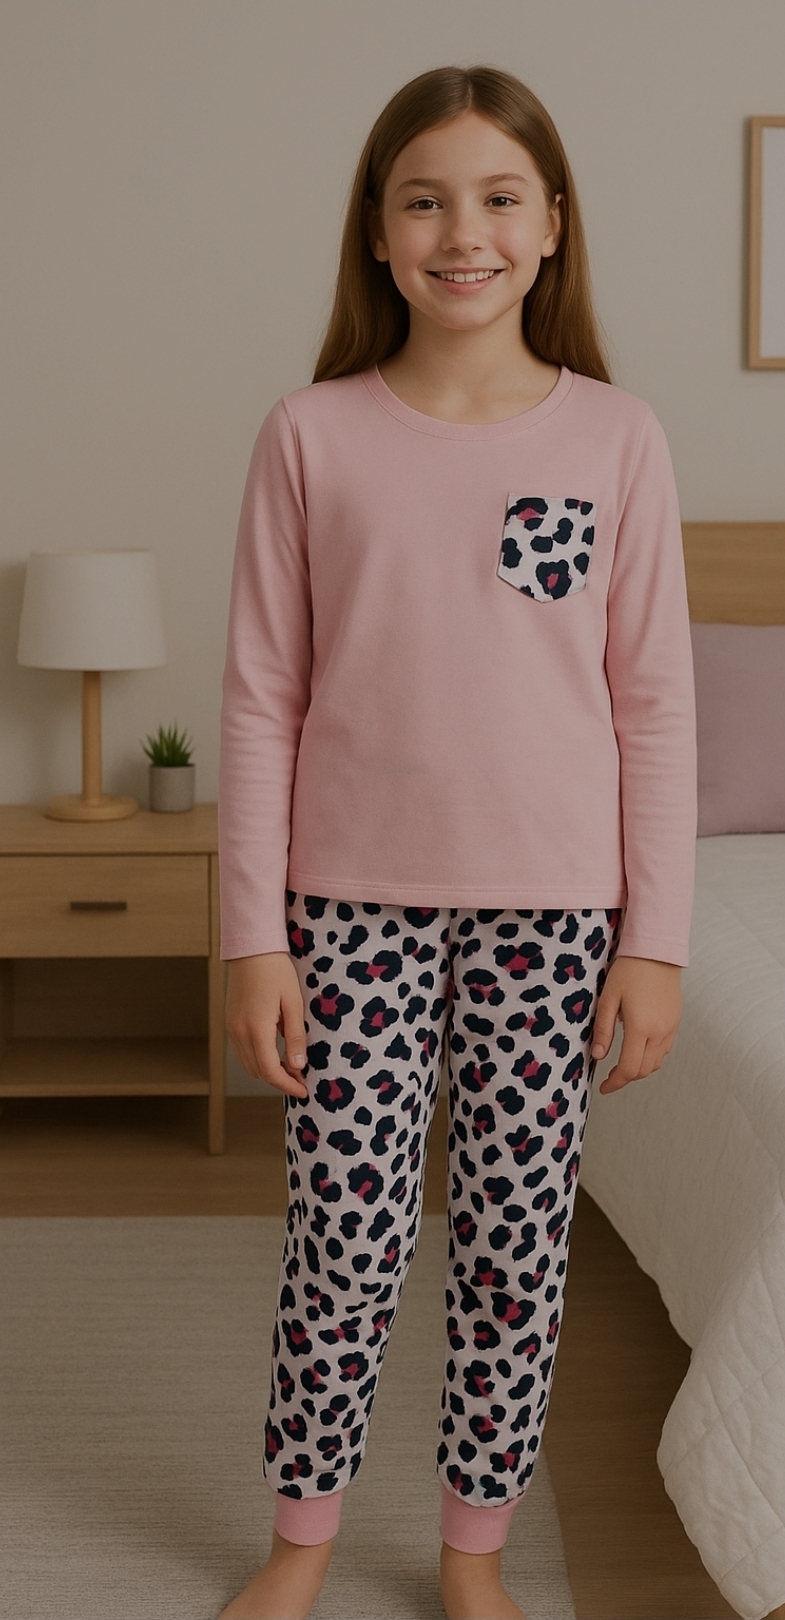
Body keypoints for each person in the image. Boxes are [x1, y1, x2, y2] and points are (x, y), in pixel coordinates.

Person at [216, 63, 697, 1620]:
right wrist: (251, 935)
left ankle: (472, 1552)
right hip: (346, 912)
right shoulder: (310, 434)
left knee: (513, 1249)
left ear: (551, 225)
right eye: (424, 200)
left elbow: (654, 709)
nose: (462, 231)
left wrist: (655, 941)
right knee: (340, 1245)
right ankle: (300, 1542)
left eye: (498, 198)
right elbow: (260, 701)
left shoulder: (617, 438)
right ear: (377, 230)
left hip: (553, 918)